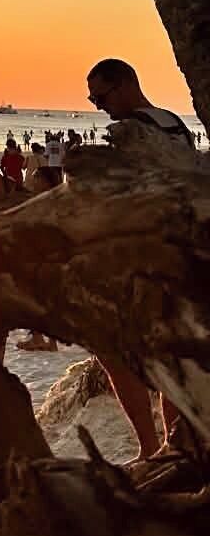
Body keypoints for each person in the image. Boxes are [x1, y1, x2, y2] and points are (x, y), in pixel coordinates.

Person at [84, 58, 195, 459]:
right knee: (169, 353)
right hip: (182, 250)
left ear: (126, 84)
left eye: (101, 96)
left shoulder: (130, 131)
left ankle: (153, 446)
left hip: (148, 255)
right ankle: (171, 441)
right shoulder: (174, 123)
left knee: (116, 351)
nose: (99, 106)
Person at [86, 57, 195, 148]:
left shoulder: (132, 129)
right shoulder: (173, 120)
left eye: (100, 98)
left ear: (123, 86)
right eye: (93, 100)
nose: (98, 107)